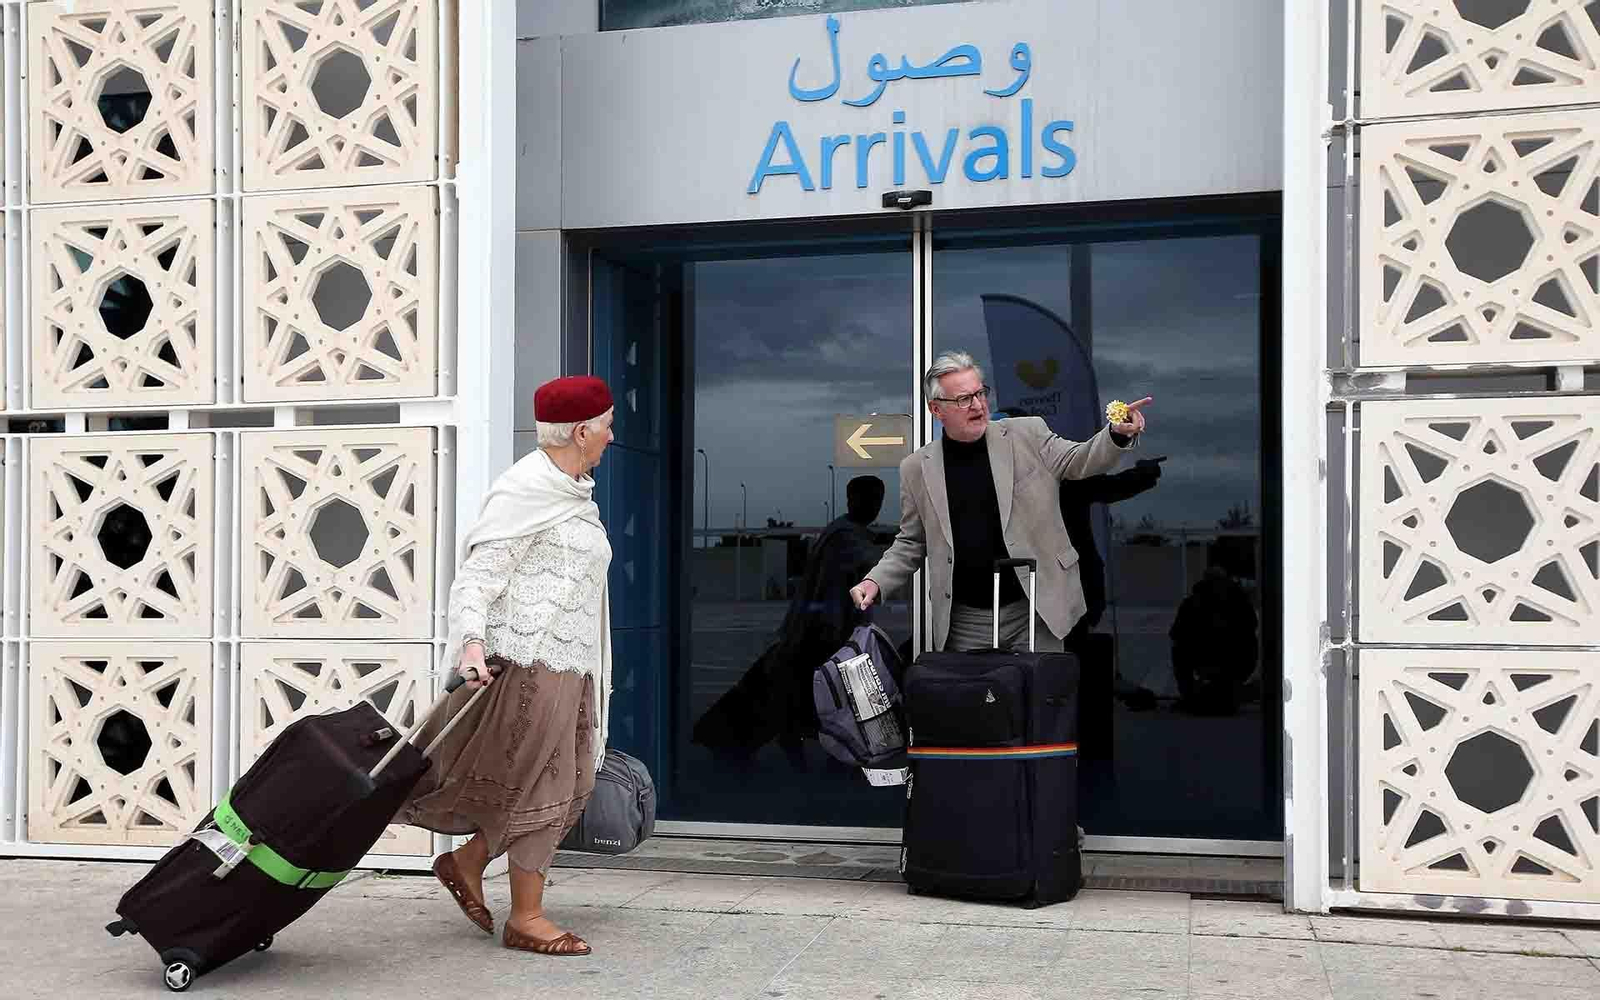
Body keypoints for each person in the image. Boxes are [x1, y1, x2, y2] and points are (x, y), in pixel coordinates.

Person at [396, 375, 617, 957]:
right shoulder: (526, 488)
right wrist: (470, 643)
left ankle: (467, 863)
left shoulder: (572, 492)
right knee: (543, 780)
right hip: (531, 662)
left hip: (571, 665)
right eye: (607, 425)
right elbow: (479, 574)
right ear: (580, 431)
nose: (611, 436)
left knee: (574, 780)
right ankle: (527, 916)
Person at [850, 351, 1150, 653]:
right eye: (964, 399)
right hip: (965, 622)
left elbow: (1080, 459)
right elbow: (911, 542)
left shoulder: (1028, 433)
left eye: (981, 393)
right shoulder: (917, 468)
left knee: (1037, 696)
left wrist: (1116, 434)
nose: (979, 405)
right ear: (936, 409)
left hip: (1035, 610)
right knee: (975, 699)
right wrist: (875, 582)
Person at [692, 476, 888, 764]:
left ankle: (778, 745)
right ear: (852, 500)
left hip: (819, 632)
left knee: (791, 695)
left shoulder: (842, 533)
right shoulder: (847, 538)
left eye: (877, 500)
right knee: (806, 698)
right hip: (824, 634)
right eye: (869, 499)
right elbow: (868, 572)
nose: (874, 507)